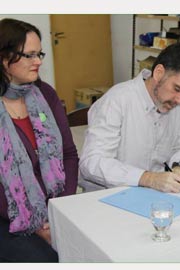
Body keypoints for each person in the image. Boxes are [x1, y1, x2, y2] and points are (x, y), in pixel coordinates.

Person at [0, 18, 79, 262]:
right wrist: (37, 224)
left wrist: (57, 211)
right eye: (30, 55)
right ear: (4, 59)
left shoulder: (45, 94)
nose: (39, 61)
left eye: (40, 53)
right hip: (9, 218)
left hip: (55, 208)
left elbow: (69, 154)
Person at [79, 43, 180, 193]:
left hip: (152, 194)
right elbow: (92, 162)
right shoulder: (117, 100)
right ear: (159, 73)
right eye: (177, 89)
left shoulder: (175, 102)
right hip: (106, 196)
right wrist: (148, 178)